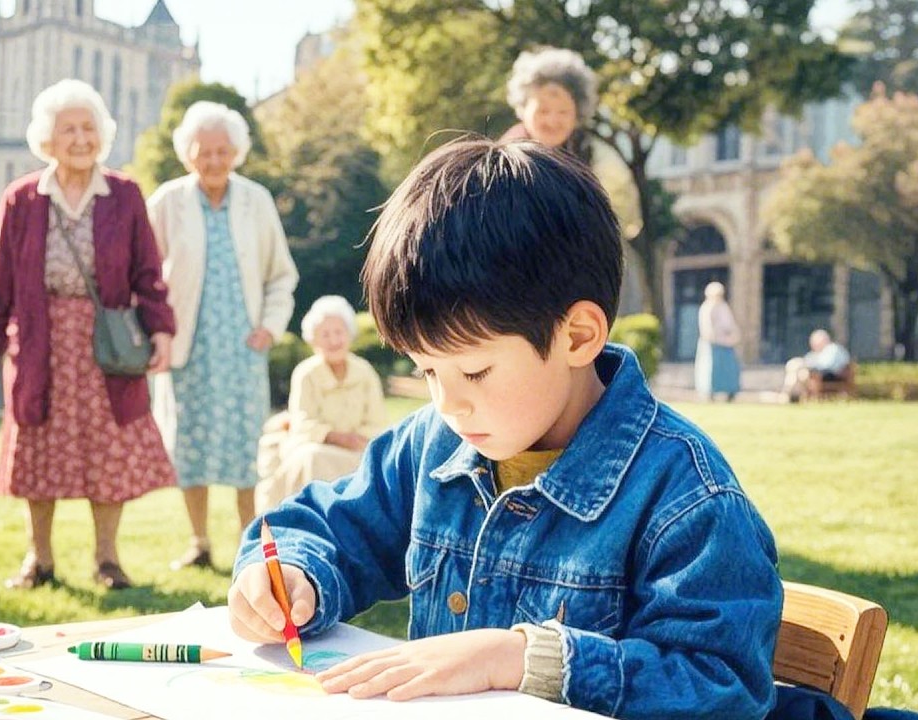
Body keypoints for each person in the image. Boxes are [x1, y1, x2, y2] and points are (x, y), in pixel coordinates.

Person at [227, 140, 781, 719]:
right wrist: (292, 573)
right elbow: (325, 525)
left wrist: (522, 659)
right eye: (427, 371)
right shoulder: (432, 446)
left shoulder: (686, 497)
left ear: (577, 337)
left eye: (474, 371)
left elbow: (724, 689)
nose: (448, 404)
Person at [0, 79, 176, 591]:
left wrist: (162, 331)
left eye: (88, 128)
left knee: (107, 450)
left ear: (101, 134)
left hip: (106, 343)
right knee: (39, 448)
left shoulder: (124, 194)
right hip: (41, 340)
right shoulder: (22, 198)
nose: (79, 138)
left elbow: (148, 272)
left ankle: (107, 560)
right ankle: (39, 560)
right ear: (47, 138)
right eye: (68, 129)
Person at [147, 101, 299, 571]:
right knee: (188, 445)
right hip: (188, 345)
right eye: (202, 151)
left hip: (242, 345)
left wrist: (270, 327)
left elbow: (281, 274)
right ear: (186, 153)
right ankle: (199, 542)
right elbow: (147, 276)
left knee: (244, 446)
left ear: (237, 152)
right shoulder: (167, 201)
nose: (213, 160)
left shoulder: (256, 199)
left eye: (222, 151)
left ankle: (247, 542)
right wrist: (158, 333)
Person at [254, 296, 387, 514]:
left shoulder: (364, 372)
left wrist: (354, 440)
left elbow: (377, 423)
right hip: (312, 449)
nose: (333, 340)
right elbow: (303, 423)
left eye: (338, 332)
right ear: (313, 340)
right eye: (325, 334)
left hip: (356, 452)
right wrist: (335, 437)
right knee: (312, 457)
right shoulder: (306, 373)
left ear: (349, 335)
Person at [499, 46, 597, 165]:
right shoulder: (504, 160)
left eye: (563, 112)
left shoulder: (597, 158)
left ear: (577, 114)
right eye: (543, 111)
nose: (552, 121)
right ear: (523, 109)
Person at [695, 281, 741, 401]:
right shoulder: (707, 308)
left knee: (729, 369)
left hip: (727, 343)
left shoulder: (724, 306)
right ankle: (709, 392)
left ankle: (730, 392)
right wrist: (713, 338)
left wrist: (734, 336)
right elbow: (706, 327)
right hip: (713, 344)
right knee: (710, 369)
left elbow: (730, 324)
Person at [782, 329, 851, 402]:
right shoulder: (819, 352)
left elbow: (826, 366)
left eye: (815, 343)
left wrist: (809, 366)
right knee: (799, 372)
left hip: (832, 376)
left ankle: (788, 394)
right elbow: (809, 359)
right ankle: (791, 395)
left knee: (801, 373)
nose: (814, 346)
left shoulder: (833, 349)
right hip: (820, 374)